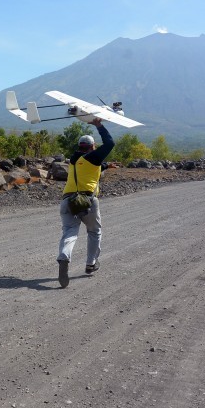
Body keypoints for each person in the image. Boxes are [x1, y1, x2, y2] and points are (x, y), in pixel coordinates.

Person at [57, 118, 115, 288]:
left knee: (69, 231)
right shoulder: (92, 157)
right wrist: (99, 125)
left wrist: (105, 166)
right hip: (87, 201)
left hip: (68, 201)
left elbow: (89, 167)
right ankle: (91, 263)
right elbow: (110, 143)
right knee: (94, 232)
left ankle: (64, 256)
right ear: (92, 147)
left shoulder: (75, 160)